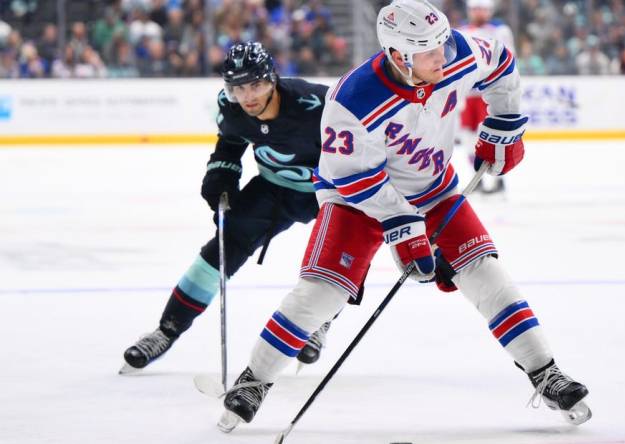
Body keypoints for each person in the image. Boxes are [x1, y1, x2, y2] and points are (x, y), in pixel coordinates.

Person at [217, 0, 591, 432]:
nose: (444, 57)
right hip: (355, 199)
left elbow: (502, 63)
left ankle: (545, 373)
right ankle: (254, 381)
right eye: (430, 52)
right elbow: (350, 176)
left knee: (487, 276)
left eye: (443, 45)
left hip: (433, 190)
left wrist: (505, 123)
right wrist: (403, 227)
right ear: (399, 56)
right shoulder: (352, 99)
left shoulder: (453, 51)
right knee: (320, 295)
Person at [120, 42, 334, 374]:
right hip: (273, 189)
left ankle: (318, 320)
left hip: (329, 192)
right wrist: (221, 176)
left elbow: (361, 142)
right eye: (237, 87)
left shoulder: (317, 103)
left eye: (255, 85)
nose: (247, 96)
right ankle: (167, 330)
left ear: (272, 79)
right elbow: (231, 143)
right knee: (222, 246)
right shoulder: (232, 108)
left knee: (338, 256)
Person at [458, 0, 514, 195]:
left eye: (481, 9)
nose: (478, 13)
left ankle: (499, 180)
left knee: (492, 135)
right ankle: (477, 180)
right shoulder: (462, 30)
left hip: (489, 92)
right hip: (466, 93)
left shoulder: (500, 30)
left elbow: (508, 58)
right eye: (474, 9)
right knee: (467, 137)